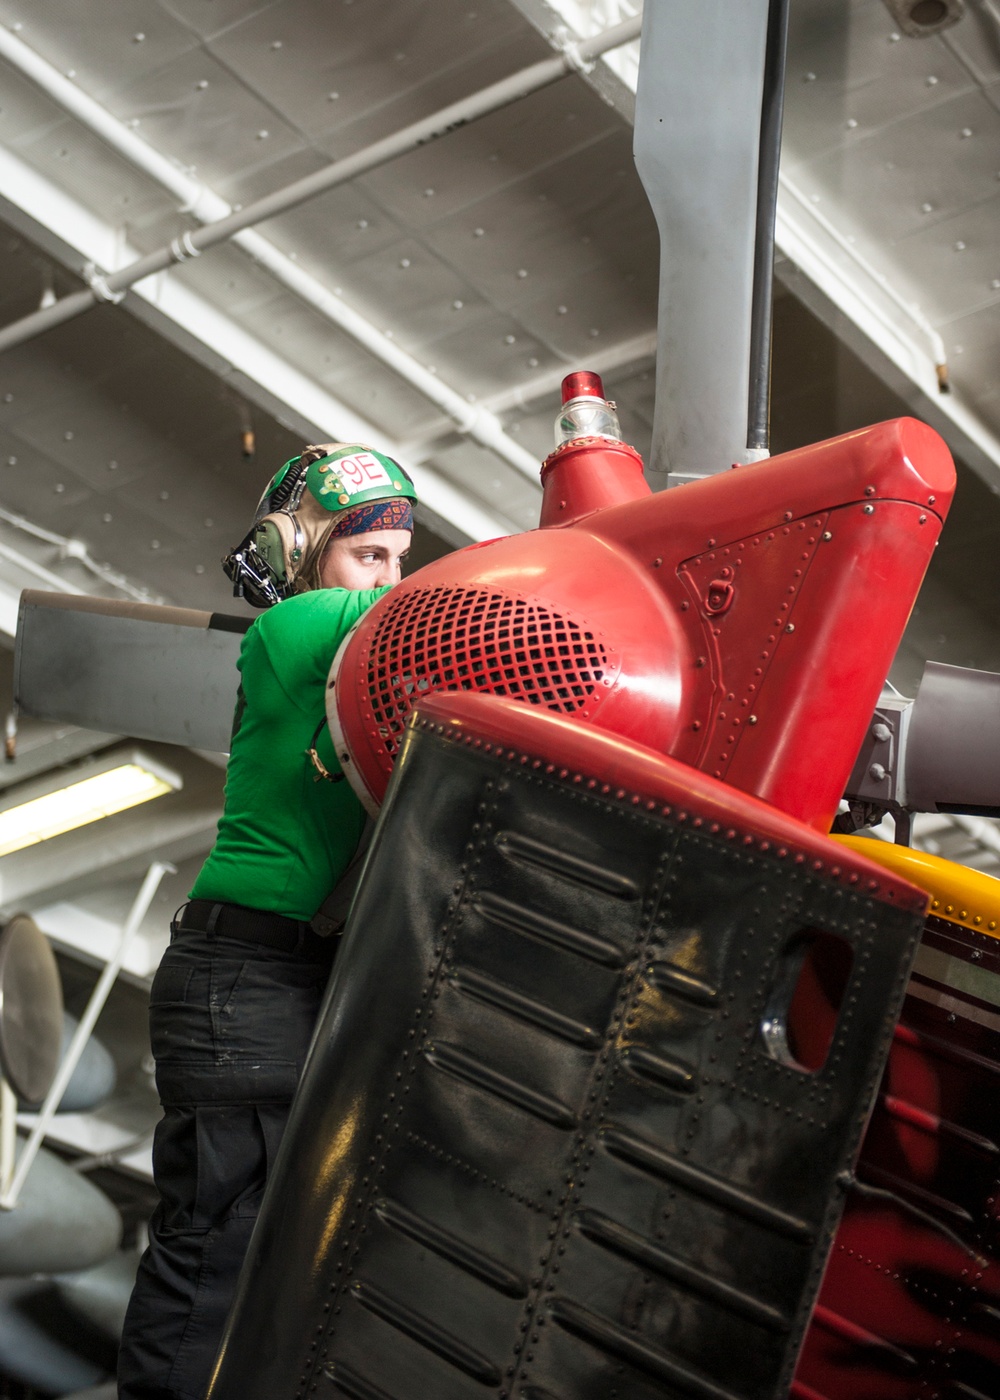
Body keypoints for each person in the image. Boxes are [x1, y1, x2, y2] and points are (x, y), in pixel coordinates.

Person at [118, 443, 417, 1400]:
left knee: (285, 1264)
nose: (391, 578)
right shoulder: (294, 631)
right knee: (220, 1248)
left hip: (293, 984)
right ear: (298, 555)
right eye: (369, 555)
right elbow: (457, 618)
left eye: (401, 559)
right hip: (246, 982)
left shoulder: (371, 657)